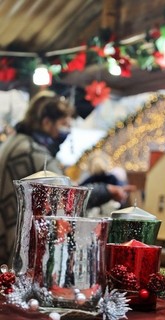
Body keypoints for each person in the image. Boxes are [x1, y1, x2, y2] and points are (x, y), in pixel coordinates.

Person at [0, 90, 130, 265]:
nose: (67, 131)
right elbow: (66, 197)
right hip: (18, 245)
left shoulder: (15, 142)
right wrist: (106, 190)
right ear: (47, 122)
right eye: (64, 124)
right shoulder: (33, 152)